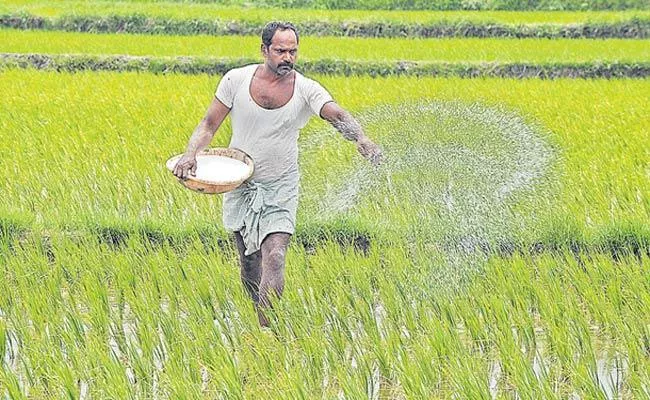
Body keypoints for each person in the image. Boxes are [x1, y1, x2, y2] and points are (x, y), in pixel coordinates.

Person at [173, 21, 382, 327]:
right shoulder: (236, 80)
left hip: (281, 184)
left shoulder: (307, 89)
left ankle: (266, 329)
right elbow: (208, 124)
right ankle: (254, 314)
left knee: (275, 255)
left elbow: (336, 114)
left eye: (293, 51)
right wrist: (191, 154)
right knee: (248, 262)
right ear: (264, 50)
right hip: (241, 183)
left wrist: (361, 138)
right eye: (281, 50)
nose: (288, 57)